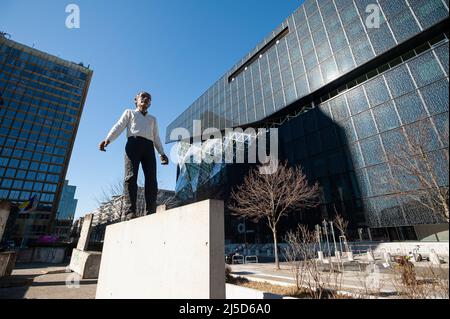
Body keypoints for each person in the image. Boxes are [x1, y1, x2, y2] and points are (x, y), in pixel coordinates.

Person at [99, 91, 169, 220]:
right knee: (130, 177)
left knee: (151, 180)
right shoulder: (129, 113)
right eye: (143, 96)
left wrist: (162, 153)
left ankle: (151, 211)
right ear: (136, 100)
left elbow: (156, 137)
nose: (146, 99)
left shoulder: (153, 119)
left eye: (149, 98)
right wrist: (107, 139)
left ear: (150, 103)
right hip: (133, 144)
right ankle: (130, 211)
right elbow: (119, 126)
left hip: (148, 147)